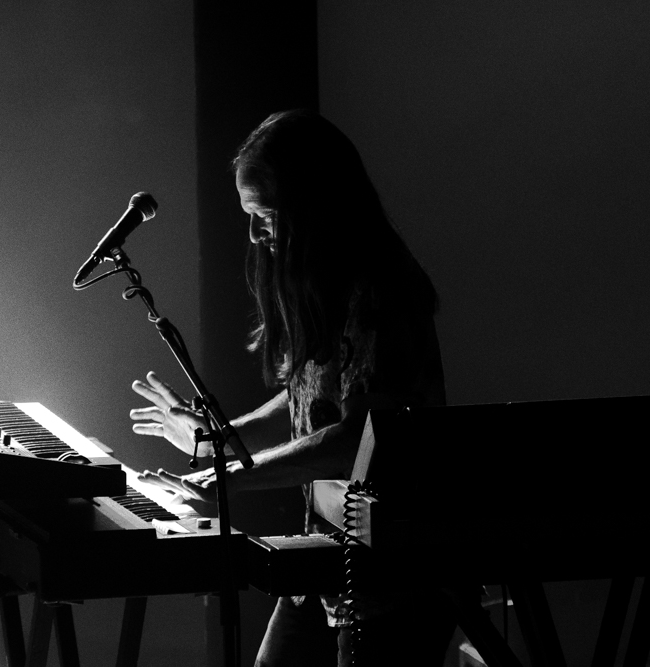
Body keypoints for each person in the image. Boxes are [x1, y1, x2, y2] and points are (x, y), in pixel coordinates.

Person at [130, 110, 454, 666]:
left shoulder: (379, 291)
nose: (256, 233)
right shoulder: (323, 280)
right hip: (331, 552)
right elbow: (310, 400)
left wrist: (234, 475)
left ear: (317, 204)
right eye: (249, 216)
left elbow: (360, 437)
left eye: (267, 215)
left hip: (395, 577)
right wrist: (221, 440)